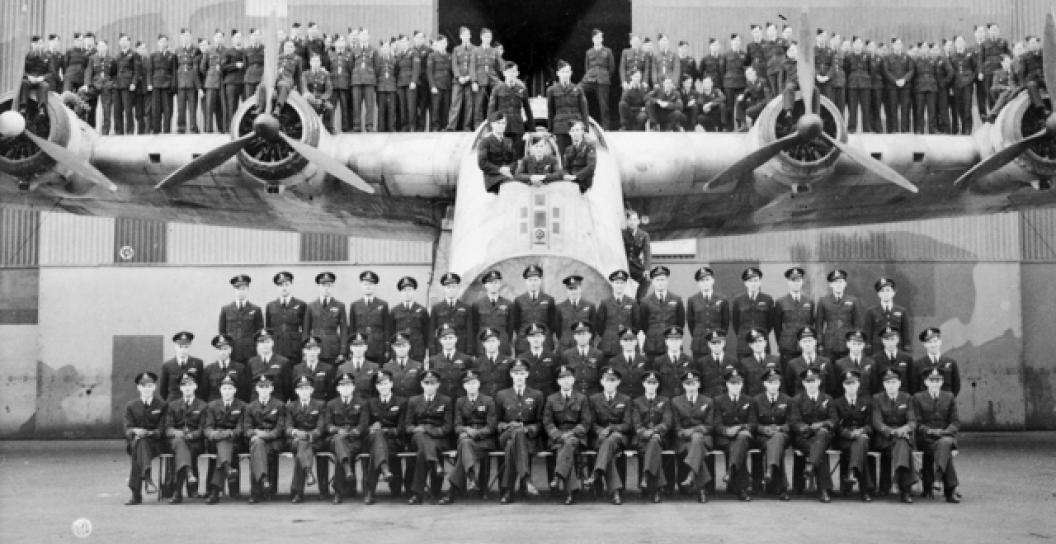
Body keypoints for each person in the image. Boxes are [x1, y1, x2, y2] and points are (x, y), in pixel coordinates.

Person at [440, 369, 497, 504]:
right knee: (465, 443)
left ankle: (455, 490)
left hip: (484, 441)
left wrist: (474, 433)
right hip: (466, 439)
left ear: (479, 384)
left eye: (474, 383)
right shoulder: (460, 402)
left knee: (464, 446)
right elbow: (457, 426)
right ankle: (470, 476)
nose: (471, 386)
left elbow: (491, 426)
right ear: (464, 386)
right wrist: (466, 430)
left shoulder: (488, 401)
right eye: (468, 383)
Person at [495, 359, 544, 503]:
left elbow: (540, 422)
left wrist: (528, 429)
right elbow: (496, 422)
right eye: (516, 373)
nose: (519, 376)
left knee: (513, 444)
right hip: (506, 434)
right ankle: (526, 478)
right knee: (515, 435)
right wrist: (507, 426)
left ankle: (507, 491)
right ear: (511, 375)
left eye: (522, 373)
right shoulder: (502, 395)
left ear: (527, 374)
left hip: (528, 437)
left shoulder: (537, 395)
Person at [544, 365, 592, 505]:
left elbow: (586, 422)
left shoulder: (582, 398)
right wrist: (558, 435)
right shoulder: (551, 399)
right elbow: (547, 422)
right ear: (558, 381)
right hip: (557, 438)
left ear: (573, 380)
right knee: (566, 447)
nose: (565, 381)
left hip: (576, 437)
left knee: (569, 444)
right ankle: (569, 492)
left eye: (568, 378)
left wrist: (571, 434)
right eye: (562, 378)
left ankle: (558, 476)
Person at [403, 369, 452, 505]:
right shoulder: (413, 401)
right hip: (417, 438)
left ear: (438, 385)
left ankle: (417, 494)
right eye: (427, 383)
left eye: (433, 383)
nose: (430, 386)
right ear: (421, 384)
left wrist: (429, 430)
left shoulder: (446, 401)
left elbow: (447, 427)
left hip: (439, 439)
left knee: (422, 454)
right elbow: (408, 425)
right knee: (420, 435)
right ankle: (435, 464)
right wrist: (418, 429)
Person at [583, 367, 631, 504]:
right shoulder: (593, 399)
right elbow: (590, 423)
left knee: (612, 439)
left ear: (618, 382)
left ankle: (596, 473)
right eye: (607, 380)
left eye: (613, 380)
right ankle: (614, 492)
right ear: (601, 382)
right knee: (608, 449)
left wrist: (611, 428)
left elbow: (628, 424)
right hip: (599, 438)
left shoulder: (626, 399)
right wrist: (600, 432)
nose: (610, 383)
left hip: (619, 437)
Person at [913, 367, 961, 503]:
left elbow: (955, 422)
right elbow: (917, 422)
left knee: (944, 443)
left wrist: (944, 432)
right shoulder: (917, 398)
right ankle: (949, 490)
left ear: (942, 382)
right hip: (926, 438)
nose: (935, 383)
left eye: (938, 380)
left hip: (945, 436)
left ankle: (938, 478)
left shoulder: (949, 396)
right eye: (931, 380)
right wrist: (930, 431)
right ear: (926, 382)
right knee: (944, 447)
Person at [789, 368, 836, 502]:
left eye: (813, 381)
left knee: (821, 435)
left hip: (824, 437)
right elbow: (794, 422)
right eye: (807, 381)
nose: (811, 384)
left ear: (819, 382)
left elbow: (834, 420)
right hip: (804, 438)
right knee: (818, 449)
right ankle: (824, 490)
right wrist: (808, 429)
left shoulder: (828, 399)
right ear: (803, 383)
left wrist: (821, 425)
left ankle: (811, 464)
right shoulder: (796, 400)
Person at [872, 368, 918, 503]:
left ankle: (899, 481)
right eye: (888, 383)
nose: (891, 385)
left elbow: (912, 421)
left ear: (899, 383)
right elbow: (877, 422)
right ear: (884, 385)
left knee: (902, 444)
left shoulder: (907, 398)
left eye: (893, 382)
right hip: (885, 439)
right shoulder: (877, 398)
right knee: (903, 445)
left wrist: (904, 429)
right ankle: (905, 490)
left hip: (903, 436)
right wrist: (892, 432)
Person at [363, 370, 407, 505]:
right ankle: (385, 470)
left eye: (386, 383)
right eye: (380, 384)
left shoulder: (401, 402)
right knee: (377, 440)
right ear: (376, 387)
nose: (383, 387)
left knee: (377, 448)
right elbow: (364, 426)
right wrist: (373, 429)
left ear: (391, 384)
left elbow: (401, 428)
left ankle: (370, 491)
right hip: (373, 439)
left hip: (394, 441)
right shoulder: (370, 403)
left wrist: (384, 430)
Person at [669, 369, 713, 502]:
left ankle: (691, 476)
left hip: (703, 438)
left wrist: (695, 431)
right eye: (688, 384)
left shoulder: (708, 401)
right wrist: (687, 432)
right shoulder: (676, 401)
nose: (691, 387)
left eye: (694, 383)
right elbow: (676, 427)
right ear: (683, 385)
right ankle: (701, 489)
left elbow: (710, 426)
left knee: (697, 439)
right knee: (696, 442)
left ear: (699, 384)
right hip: (683, 440)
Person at [123, 371, 166, 505]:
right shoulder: (131, 406)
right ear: (138, 387)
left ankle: (136, 493)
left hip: (156, 444)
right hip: (137, 442)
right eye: (144, 386)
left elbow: (162, 428)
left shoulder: (161, 405)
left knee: (139, 448)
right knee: (140, 444)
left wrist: (149, 433)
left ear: (155, 387)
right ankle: (146, 477)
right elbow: (127, 429)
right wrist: (136, 430)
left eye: (150, 386)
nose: (147, 389)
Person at [163, 374, 207, 503]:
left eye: (190, 385)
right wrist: (177, 432)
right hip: (176, 440)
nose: (187, 388)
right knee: (180, 443)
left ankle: (178, 492)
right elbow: (167, 428)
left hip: (194, 441)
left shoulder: (203, 406)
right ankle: (190, 480)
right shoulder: (172, 405)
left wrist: (192, 435)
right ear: (180, 388)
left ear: (195, 386)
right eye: (184, 385)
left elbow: (203, 428)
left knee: (185, 450)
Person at [326, 371, 368, 504]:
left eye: (348, 385)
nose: (345, 388)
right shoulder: (331, 404)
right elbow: (328, 425)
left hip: (354, 440)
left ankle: (338, 492)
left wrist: (349, 433)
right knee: (339, 441)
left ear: (353, 387)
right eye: (342, 386)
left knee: (341, 451)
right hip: (335, 440)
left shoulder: (362, 403)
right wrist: (339, 431)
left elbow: (363, 425)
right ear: (338, 388)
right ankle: (347, 471)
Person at [202, 374, 245, 504]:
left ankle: (215, 492)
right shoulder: (211, 406)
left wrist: (228, 433)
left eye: (230, 388)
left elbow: (240, 428)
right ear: (220, 390)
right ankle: (227, 469)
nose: (227, 391)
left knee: (224, 447)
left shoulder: (242, 406)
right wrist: (216, 434)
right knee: (223, 445)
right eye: (224, 388)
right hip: (215, 441)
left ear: (235, 390)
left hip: (234, 441)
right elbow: (207, 428)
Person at [713, 368, 754, 501]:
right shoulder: (718, 401)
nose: (736, 386)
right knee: (739, 446)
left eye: (738, 383)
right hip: (725, 439)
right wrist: (727, 431)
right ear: (727, 384)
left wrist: (741, 428)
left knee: (741, 439)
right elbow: (717, 425)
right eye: (732, 383)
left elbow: (753, 423)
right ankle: (742, 489)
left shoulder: (749, 400)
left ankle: (731, 471)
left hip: (744, 437)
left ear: (742, 384)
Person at [751, 368, 792, 500]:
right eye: (770, 383)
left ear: (779, 384)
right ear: (764, 384)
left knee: (778, 438)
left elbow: (792, 423)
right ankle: (782, 488)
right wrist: (764, 429)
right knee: (776, 445)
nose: (773, 386)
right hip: (763, 437)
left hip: (782, 435)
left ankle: (770, 469)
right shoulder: (756, 400)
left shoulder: (788, 400)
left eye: (776, 383)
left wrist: (780, 428)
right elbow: (753, 423)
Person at [833, 369, 874, 501]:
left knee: (861, 441)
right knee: (860, 445)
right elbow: (836, 425)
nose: (851, 386)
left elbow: (871, 424)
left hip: (862, 435)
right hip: (844, 438)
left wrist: (862, 431)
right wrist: (850, 434)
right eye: (848, 384)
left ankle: (852, 472)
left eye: (854, 383)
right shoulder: (837, 402)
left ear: (858, 384)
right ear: (843, 385)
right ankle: (865, 490)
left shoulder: (867, 402)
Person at [633, 370, 673, 503]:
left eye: (654, 383)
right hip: (642, 439)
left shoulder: (665, 401)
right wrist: (649, 434)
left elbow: (667, 422)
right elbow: (637, 424)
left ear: (658, 385)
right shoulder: (637, 402)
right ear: (644, 384)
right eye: (648, 383)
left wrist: (655, 432)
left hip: (661, 439)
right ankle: (656, 489)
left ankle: (646, 476)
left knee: (655, 442)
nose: (651, 385)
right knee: (653, 444)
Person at [284, 375, 326, 503]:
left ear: (312, 390)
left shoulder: (320, 405)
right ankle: (308, 472)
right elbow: (288, 428)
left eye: (307, 388)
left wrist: (308, 435)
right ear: (297, 391)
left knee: (300, 454)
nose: (304, 391)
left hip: (314, 441)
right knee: (301, 445)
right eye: (301, 389)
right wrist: (296, 432)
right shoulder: (290, 406)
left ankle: (297, 491)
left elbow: (320, 427)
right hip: (295, 441)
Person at [244, 375, 285, 503]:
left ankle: (256, 491)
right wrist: (255, 435)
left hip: (275, 440)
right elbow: (247, 429)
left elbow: (279, 429)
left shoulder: (279, 405)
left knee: (257, 447)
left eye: (267, 387)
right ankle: (266, 484)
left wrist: (262, 435)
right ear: (256, 389)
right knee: (258, 446)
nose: (264, 390)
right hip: (256, 440)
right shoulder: (250, 407)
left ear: (272, 388)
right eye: (261, 387)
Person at [488, 61, 535, 157]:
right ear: (504, 73)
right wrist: (491, 127)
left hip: (517, 127)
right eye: (509, 72)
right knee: (501, 154)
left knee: (516, 155)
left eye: (514, 72)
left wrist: (532, 129)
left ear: (517, 73)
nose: (511, 74)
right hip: (502, 128)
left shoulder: (522, 89)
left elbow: (528, 110)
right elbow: (491, 110)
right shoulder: (497, 90)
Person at [815, 268, 862, 361]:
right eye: (835, 282)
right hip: (829, 344)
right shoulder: (823, 301)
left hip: (848, 344)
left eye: (841, 282)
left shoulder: (853, 301)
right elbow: (819, 325)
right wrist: (820, 343)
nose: (838, 285)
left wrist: (856, 342)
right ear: (831, 284)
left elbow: (858, 324)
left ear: (845, 284)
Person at [639, 265, 685, 358]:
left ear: (667, 281)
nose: (660, 283)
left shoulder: (677, 299)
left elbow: (681, 323)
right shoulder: (645, 301)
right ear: (653, 282)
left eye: (662, 279)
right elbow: (643, 325)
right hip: (652, 346)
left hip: (672, 344)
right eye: (657, 280)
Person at [511, 265, 557, 355]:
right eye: (530, 280)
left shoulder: (549, 300)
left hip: (544, 342)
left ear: (540, 281)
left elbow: (553, 324)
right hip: (524, 343)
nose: (533, 283)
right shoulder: (518, 300)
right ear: (526, 282)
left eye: (535, 280)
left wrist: (543, 335)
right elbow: (516, 324)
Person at [773, 266, 814, 366]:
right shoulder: (780, 302)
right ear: (788, 282)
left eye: (799, 280)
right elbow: (777, 327)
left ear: (802, 282)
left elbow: (811, 323)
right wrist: (783, 342)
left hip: (805, 346)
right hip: (787, 347)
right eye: (793, 280)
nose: (796, 283)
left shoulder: (809, 302)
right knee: (788, 377)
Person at [219, 274, 264, 366]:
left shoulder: (256, 310)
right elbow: (222, 333)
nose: (240, 292)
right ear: (234, 290)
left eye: (243, 289)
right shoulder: (226, 309)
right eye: (238, 289)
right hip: (232, 352)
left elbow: (259, 334)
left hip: (250, 353)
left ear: (248, 290)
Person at [547, 60, 590, 154]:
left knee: (578, 155)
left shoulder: (578, 89)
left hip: (576, 128)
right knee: (563, 156)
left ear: (571, 73)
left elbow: (584, 111)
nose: (565, 75)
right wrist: (550, 130)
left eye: (567, 72)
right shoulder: (552, 90)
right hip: (560, 127)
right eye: (563, 72)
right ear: (558, 73)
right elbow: (551, 111)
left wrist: (586, 129)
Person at [595, 270, 641, 358]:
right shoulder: (605, 303)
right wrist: (609, 335)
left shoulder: (632, 303)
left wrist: (628, 334)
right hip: (609, 346)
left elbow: (637, 324)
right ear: (612, 284)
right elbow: (599, 325)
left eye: (621, 283)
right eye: (617, 283)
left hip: (627, 344)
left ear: (625, 284)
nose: (619, 285)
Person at [731, 267, 775, 359]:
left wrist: (761, 333)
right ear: (745, 283)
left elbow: (770, 323)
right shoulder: (738, 300)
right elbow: (735, 323)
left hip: (762, 342)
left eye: (756, 280)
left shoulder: (767, 299)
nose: (753, 284)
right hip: (744, 344)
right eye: (750, 281)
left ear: (760, 282)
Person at [265, 271, 307, 366]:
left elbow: (305, 330)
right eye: (280, 285)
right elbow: (268, 330)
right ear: (277, 287)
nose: (284, 288)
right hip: (276, 349)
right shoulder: (270, 306)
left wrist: (304, 349)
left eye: (286, 284)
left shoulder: (301, 305)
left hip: (294, 350)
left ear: (291, 285)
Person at [686, 266, 730, 357]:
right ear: (698, 283)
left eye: (707, 279)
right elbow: (691, 323)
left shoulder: (722, 299)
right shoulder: (692, 300)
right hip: (699, 344)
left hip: (717, 343)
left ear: (712, 281)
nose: (705, 283)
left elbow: (725, 323)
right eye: (702, 280)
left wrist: (719, 338)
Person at [863, 277, 911, 357]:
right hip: (877, 350)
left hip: (897, 348)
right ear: (878, 294)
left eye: (888, 290)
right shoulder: (871, 311)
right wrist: (868, 349)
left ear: (894, 292)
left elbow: (905, 333)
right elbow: (868, 333)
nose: (885, 293)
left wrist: (906, 348)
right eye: (882, 291)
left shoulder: (902, 311)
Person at [470, 270, 514, 355]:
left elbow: (510, 329)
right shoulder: (477, 304)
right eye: (490, 283)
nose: (493, 285)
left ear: (500, 284)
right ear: (485, 285)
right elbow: (475, 328)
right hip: (483, 345)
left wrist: (505, 341)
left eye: (496, 282)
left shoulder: (508, 304)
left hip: (501, 345)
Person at [348, 270, 388, 364]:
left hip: (378, 348)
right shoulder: (355, 305)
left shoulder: (383, 305)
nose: (368, 286)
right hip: (360, 347)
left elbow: (386, 328)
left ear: (375, 286)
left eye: (371, 284)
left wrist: (387, 349)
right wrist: (350, 349)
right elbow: (352, 330)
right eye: (365, 284)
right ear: (361, 286)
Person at [430, 273, 473, 355]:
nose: (451, 289)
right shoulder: (436, 308)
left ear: (458, 288)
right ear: (444, 289)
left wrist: (469, 349)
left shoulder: (466, 308)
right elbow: (432, 331)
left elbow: (469, 331)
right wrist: (432, 350)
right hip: (441, 348)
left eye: (453, 287)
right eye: (448, 287)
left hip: (461, 348)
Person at [388, 276, 429, 362]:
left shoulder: (422, 310)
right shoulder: (394, 311)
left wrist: (426, 351)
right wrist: (392, 352)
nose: (407, 293)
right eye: (404, 290)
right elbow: (391, 334)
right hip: (400, 350)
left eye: (409, 290)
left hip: (417, 351)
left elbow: (426, 333)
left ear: (414, 291)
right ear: (400, 293)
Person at [784, 326, 833, 397]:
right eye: (804, 341)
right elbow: (789, 388)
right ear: (800, 343)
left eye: (810, 340)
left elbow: (831, 386)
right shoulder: (792, 364)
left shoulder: (826, 362)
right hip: (800, 404)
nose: (807, 344)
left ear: (815, 342)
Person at [653, 325, 699, 399]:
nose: (674, 343)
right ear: (666, 342)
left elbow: (694, 383)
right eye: (671, 340)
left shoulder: (689, 360)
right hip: (665, 400)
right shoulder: (658, 361)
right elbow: (655, 383)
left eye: (677, 339)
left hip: (683, 400)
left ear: (681, 341)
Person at [913, 327, 961, 397]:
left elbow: (956, 386)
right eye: (929, 342)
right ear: (924, 344)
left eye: (935, 341)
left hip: (946, 404)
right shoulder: (917, 364)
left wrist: (948, 400)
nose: (933, 345)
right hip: (925, 404)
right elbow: (914, 388)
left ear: (940, 342)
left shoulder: (951, 363)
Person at [562, 321, 606, 397]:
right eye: (579, 334)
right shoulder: (567, 354)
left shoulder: (598, 354)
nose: (582, 337)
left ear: (590, 336)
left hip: (594, 391)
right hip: (574, 391)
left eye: (584, 334)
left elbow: (602, 375)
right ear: (574, 337)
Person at [583, 29, 615, 130]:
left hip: (603, 80)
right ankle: (583, 123)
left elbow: (611, 67)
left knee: (604, 105)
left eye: (600, 37)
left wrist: (605, 76)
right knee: (578, 90)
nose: (599, 39)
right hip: (590, 79)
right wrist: (589, 76)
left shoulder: (607, 51)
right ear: (593, 39)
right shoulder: (589, 52)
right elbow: (587, 67)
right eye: (597, 38)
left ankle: (606, 128)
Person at [430, 323, 473, 399]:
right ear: (440, 341)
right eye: (445, 338)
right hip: (441, 399)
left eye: (451, 338)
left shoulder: (466, 359)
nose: (448, 341)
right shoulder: (433, 360)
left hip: (460, 399)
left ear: (456, 339)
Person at [159, 331, 205, 402]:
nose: (183, 350)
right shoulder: (167, 365)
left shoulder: (198, 363)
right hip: (173, 403)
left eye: (186, 347)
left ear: (190, 347)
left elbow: (201, 387)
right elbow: (163, 391)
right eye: (180, 347)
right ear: (175, 347)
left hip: (192, 403)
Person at [83, 39, 116, 134]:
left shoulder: (111, 59)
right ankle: (90, 130)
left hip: (107, 86)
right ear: (97, 48)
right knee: (88, 105)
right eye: (99, 46)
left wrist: (112, 83)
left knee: (107, 109)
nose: (101, 48)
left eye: (103, 46)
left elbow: (114, 74)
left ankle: (105, 132)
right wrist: (86, 85)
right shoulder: (92, 58)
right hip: (95, 85)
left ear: (106, 47)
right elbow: (88, 72)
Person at [478, 112, 518, 193]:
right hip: (493, 178)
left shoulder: (509, 141)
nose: (501, 126)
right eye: (498, 123)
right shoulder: (485, 142)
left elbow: (514, 161)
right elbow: (482, 163)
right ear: (492, 124)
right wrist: (499, 169)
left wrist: (509, 169)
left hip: (508, 175)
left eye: (503, 123)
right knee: (513, 185)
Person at [203, 334, 249, 402]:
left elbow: (244, 392)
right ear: (215, 351)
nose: (222, 352)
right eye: (219, 349)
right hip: (213, 408)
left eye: (225, 348)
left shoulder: (240, 368)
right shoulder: (208, 369)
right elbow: (204, 392)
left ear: (230, 350)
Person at [882, 38, 914, 133]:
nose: (898, 46)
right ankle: (894, 130)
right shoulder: (887, 58)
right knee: (893, 109)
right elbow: (886, 71)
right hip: (892, 87)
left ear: (902, 45)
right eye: (896, 44)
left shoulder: (907, 57)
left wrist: (904, 80)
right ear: (893, 46)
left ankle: (905, 130)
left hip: (905, 87)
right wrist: (895, 81)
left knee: (905, 109)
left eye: (900, 44)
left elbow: (911, 70)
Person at [471, 28, 502, 128]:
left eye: (489, 37)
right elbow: (472, 67)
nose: (487, 39)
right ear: (481, 37)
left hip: (493, 79)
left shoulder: (494, 51)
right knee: (479, 103)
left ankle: (493, 123)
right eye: (485, 37)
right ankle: (477, 126)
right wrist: (474, 81)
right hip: (480, 80)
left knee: (494, 102)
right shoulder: (475, 51)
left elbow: (500, 66)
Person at [519, 322, 559, 398]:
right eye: (532, 336)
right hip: (528, 395)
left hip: (548, 395)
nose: (535, 339)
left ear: (544, 338)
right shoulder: (521, 358)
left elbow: (556, 378)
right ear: (528, 339)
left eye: (538, 336)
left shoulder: (552, 357)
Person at [835, 329, 878, 399]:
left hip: (866, 401)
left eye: (859, 344)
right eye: (854, 344)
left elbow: (874, 386)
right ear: (848, 344)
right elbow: (838, 388)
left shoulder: (871, 363)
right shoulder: (839, 363)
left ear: (864, 345)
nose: (856, 347)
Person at [336, 332, 381, 398]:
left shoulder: (374, 367)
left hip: (368, 405)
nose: (358, 349)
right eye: (355, 346)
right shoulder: (342, 368)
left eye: (361, 346)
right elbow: (338, 392)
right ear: (351, 348)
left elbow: (377, 391)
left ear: (366, 347)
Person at [949, 36, 978, 135]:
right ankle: (963, 127)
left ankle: (968, 129)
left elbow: (975, 69)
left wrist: (971, 80)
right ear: (955, 44)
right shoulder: (952, 56)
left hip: (967, 85)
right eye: (958, 42)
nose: (960, 43)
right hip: (957, 85)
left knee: (967, 107)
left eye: (961, 41)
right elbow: (951, 72)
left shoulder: (970, 55)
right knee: (959, 107)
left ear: (964, 43)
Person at [696, 329, 738, 398]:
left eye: (719, 342)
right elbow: (699, 385)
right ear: (709, 344)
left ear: (724, 343)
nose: (716, 345)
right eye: (713, 343)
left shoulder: (733, 361)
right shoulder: (701, 362)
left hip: (727, 399)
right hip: (709, 399)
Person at [292, 336, 336, 402]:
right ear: (304, 351)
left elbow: (331, 392)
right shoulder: (297, 369)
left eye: (315, 349)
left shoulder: (328, 368)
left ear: (319, 350)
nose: (312, 353)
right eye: (309, 349)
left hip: (322, 406)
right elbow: (294, 392)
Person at [351, 29, 378, 132]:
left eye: (365, 35)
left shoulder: (373, 50)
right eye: (362, 35)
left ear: (369, 37)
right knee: (356, 104)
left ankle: (369, 125)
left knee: (369, 104)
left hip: (369, 81)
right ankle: (357, 125)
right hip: (356, 81)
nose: (363, 37)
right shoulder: (354, 50)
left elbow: (377, 66)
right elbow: (350, 66)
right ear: (359, 37)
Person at [112, 34, 140, 135]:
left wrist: (134, 83)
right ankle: (118, 132)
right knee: (117, 111)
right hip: (117, 86)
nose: (123, 42)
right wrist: (114, 83)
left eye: (125, 40)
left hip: (128, 87)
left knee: (128, 110)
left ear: (129, 42)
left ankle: (130, 131)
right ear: (119, 43)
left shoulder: (134, 55)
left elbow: (137, 71)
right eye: (122, 41)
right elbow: (113, 72)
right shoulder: (117, 56)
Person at [740, 328, 781, 397]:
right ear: (750, 345)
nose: (757, 344)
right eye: (754, 342)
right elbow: (743, 387)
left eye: (760, 341)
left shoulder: (775, 360)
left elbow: (781, 384)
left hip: (772, 399)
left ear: (765, 343)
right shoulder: (744, 362)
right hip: (753, 399)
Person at [383, 332, 424, 401]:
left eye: (404, 346)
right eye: (398, 346)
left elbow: (422, 389)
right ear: (393, 347)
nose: (401, 349)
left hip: (412, 404)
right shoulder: (386, 367)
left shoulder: (418, 366)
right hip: (394, 405)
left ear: (409, 347)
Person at [148, 34, 176, 134]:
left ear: (167, 43)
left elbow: (173, 72)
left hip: (167, 85)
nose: (163, 43)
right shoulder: (153, 55)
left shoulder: (171, 55)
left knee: (167, 109)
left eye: (165, 41)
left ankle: (167, 130)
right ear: (158, 43)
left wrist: (173, 85)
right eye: (161, 41)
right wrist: (149, 83)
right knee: (156, 109)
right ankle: (156, 130)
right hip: (156, 85)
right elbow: (150, 70)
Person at [475, 328, 514, 398]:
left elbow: (512, 384)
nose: (491, 344)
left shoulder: (509, 361)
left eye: (493, 341)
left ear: (499, 342)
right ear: (483, 344)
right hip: (484, 401)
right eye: (487, 341)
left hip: (503, 399)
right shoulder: (477, 362)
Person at [174, 31, 200, 134]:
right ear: (181, 38)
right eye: (184, 36)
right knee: (181, 107)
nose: (185, 38)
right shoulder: (177, 50)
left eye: (188, 36)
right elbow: (175, 67)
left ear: (191, 37)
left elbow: (196, 67)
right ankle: (181, 127)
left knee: (192, 107)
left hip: (192, 82)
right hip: (180, 82)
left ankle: (193, 128)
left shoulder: (196, 50)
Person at [875, 326, 914, 394]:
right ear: (882, 340)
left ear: (898, 339)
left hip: (903, 398)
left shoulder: (907, 358)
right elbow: (874, 383)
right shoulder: (875, 359)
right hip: (882, 400)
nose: (890, 342)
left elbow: (912, 382)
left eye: (893, 339)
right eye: (887, 339)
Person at [622, 211, 651, 301]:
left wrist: (647, 269)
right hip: (622, 264)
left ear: (638, 221)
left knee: (646, 280)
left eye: (634, 219)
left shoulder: (644, 235)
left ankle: (639, 302)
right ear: (627, 221)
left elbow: (647, 253)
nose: (632, 222)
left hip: (635, 265)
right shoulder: (622, 233)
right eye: (630, 219)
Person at [723, 34, 749, 131]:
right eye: (735, 41)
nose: (737, 43)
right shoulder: (726, 55)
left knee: (740, 104)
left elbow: (747, 68)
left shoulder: (744, 55)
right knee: (729, 107)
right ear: (731, 42)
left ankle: (741, 126)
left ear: (740, 42)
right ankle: (729, 127)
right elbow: (722, 70)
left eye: (738, 41)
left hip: (741, 84)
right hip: (729, 84)